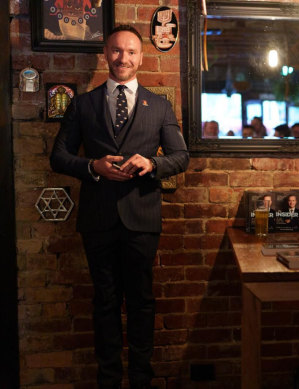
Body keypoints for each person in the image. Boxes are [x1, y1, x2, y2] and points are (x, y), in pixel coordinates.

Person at [50, 25, 189, 389]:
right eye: (115, 51)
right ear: (105, 54)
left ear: (141, 57)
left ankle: (142, 379)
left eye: (130, 52)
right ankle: (109, 379)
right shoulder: (83, 103)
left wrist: (152, 164)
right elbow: (59, 157)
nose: (122, 58)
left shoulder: (159, 105)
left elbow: (181, 156)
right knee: (105, 302)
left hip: (142, 218)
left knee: (142, 302)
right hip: (97, 219)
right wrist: (91, 167)